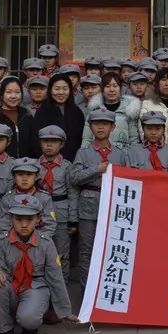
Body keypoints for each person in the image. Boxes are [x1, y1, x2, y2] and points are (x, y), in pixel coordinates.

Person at [0, 194, 78, 334]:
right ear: (11, 219)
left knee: (29, 319)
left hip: (36, 286)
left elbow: (55, 277)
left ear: (38, 219)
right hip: (11, 284)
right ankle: (4, 331)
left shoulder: (46, 243)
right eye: (18, 219)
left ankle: (29, 324)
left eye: (29, 219)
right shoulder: (1, 241)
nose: (24, 224)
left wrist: (65, 311)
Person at [71, 108, 127, 284]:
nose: (100, 127)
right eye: (96, 124)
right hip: (89, 206)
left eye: (105, 124)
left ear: (113, 127)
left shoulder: (120, 153)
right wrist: (97, 169)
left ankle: (106, 290)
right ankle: (86, 293)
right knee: (87, 250)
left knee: (111, 249)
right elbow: (74, 177)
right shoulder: (84, 152)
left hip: (113, 205)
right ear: (90, 127)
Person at [35, 125, 78, 284]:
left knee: (61, 253)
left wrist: (72, 219)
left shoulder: (67, 166)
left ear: (62, 144)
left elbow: (73, 193)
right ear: (40, 143)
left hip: (61, 211)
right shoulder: (34, 166)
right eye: (45, 141)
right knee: (39, 250)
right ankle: (42, 287)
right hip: (39, 212)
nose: (49, 145)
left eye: (54, 142)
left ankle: (62, 288)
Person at [0, 158, 57, 239]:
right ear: (14, 177)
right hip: (12, 242)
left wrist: (35, 241)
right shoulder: (7, 198)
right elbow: (4, 226)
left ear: (36, 176)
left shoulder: (44, 198)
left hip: (38, 242)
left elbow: (49, 226)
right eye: (20, 174)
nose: (24, 179)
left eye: (29, 174)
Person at [31, 73, 85, 161]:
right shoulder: (42, 111)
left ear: (70, 90)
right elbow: (35, 141)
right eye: (57, 89)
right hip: (47, 162)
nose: (61, 92)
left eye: (65, 89)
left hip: (73, 162)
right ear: (50, 90)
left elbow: (80, 139)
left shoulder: (77, 112)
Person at [82, 71, 141, 151]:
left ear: (120, 88)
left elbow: (134, 139)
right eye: (107, 86)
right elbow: (87, 139)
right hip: (98, 155)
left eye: (115, 86)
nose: (112, 90)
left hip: (123, 156)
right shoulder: (94, 110)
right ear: (102, 89)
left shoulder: (129, 110)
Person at [0, 76, 35, 158]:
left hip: (24, 167)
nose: (13, 96)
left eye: (17, 92)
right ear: (2, 94)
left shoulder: (27, 116)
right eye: (9, 92)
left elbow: (34, 144)